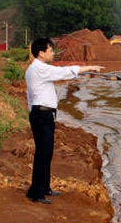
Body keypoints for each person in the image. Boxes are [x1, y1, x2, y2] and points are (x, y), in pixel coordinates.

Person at [25, 37, 103, 204]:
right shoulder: (40, 69)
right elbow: (62, 72)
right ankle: (36, 193)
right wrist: (88, 67)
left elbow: (30, 96)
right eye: (51, 50)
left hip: (40, 114)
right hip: (42, 115)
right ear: (41, 53)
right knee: (43, 154)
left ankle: (44, 188)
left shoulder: (36, 69)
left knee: (46, 153)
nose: (53, 53)